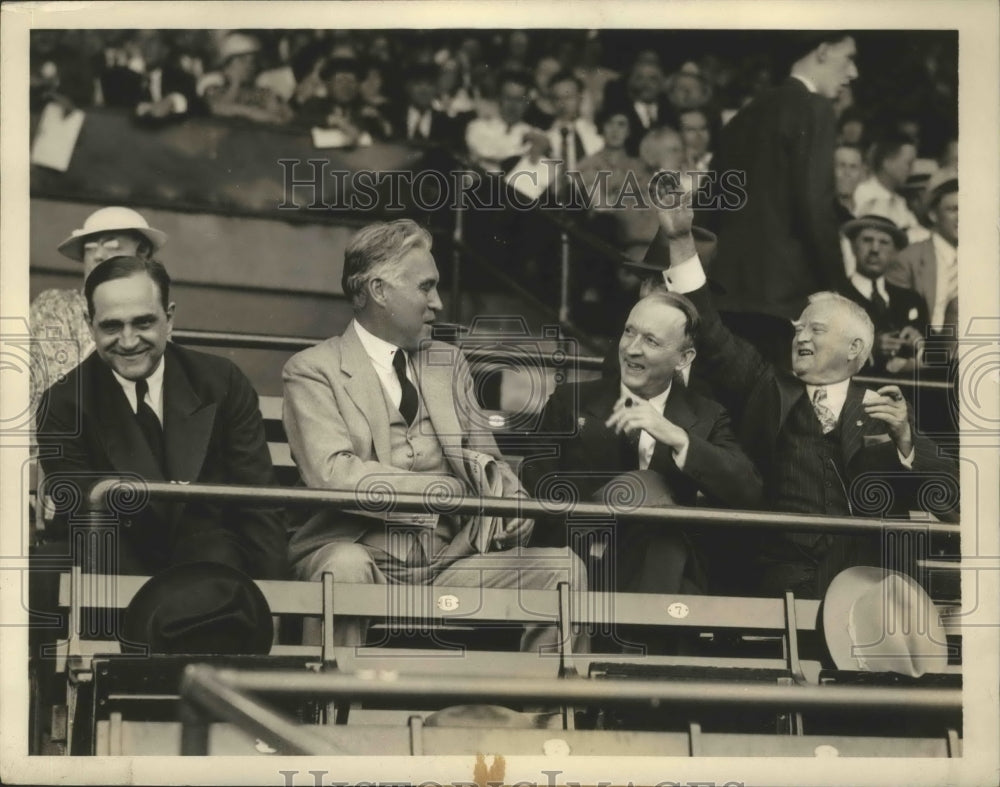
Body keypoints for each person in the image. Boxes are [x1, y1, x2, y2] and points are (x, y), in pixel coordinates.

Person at [282, 219, 586, 651]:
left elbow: (490, 458)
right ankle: (327, 715)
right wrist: (440, 490)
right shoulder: (313, 370)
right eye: (426, 287)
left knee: (563, 569)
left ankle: (548, 718)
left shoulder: (448, 363)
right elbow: (333, 473)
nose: (438, 303)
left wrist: (514, 505)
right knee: (343, 568)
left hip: (450, 562)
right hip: (361, 555)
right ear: (379, 291)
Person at [643, 193, 959, 599]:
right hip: (784, 577)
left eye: (816, 329)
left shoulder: (885, 408)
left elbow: (950, 500)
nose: (801, 335)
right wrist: (682, 241)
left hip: (871, 577)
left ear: (854, 348)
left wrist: (907, 442)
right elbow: (711, 333)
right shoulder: (766, 387)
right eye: (798, 328)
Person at [35, 255, 288, 579]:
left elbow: (259, 505)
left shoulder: (220, 382)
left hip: (210, 568)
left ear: (168, 319)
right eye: (112, 325)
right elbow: (87, 518)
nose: (128, 341)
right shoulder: (64, 402)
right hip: (112, 566)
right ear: (89, 324)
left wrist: (275, 610)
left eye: (143, 323)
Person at [522, 291, 762, 599]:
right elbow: (534, 487)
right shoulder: (571, 401)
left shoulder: (706, 416)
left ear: (684, 358)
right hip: (583, 561)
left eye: (651, 341)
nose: (632, 349)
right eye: (629, 332)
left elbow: (749, 490)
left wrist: (677, 438)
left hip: (664, 568)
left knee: (665, 540)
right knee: (646, 487)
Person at [696, 32, 859, 345]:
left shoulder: (745, 114)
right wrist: (841, 287)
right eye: (849, 58)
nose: (853, 72)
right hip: (786, 299)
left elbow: (709, 206)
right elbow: (814, 206)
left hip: (726, 294)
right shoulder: (816, 108)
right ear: (823, 51)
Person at [30, 207, 166, 408]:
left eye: (112, 244)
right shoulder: (53, 305)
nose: (98, 255)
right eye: (90, 247)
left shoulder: (154, 313)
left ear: (143, 251)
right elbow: (57, 383)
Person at [841, 214, 928, 374]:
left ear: (895, 252)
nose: (875, 249)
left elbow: (930, 362)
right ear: (853, 246)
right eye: (867, 240)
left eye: (884, 242)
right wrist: (870, 349)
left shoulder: (911, 300)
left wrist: (920, 346)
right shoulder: (836, 297)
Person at [887, 170, 959, 336]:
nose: (961, 217)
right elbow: (900, 323)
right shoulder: (909, 259)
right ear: (933, 215)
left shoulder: (984, 259)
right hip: (927, 352)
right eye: (953, 209)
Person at [199, 32, 293, 125]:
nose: (251, 66)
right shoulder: (212, 87)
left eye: (253, 61)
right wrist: (235, 84)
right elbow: (217, 109)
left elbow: (285, 117)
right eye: (243, 60)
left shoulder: (264, 91)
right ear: (229, 63)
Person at [852, 132, 930, 244]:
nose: (911, 170)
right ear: (887, 162)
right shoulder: (862, 195)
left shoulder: (900, 202)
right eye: (908, 163)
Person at [601, 59, 676, 157]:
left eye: (653, 79)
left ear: (662, 84)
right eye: (639, 78)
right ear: (630, 81)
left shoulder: (671, 113)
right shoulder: (618, 111)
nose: (646, 84)